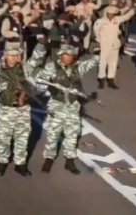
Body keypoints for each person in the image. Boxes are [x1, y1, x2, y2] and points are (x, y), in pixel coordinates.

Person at [0, 41, 46, 176]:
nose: (15, 58)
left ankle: (20, 164)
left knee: (22, 138)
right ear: (6, 56)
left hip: (23, 109)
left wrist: (40, 45)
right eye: (12, 55)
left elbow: (35, 60)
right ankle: (2, 162)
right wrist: (5, 85)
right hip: (5, 110)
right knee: (3, 138)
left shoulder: (24, 68)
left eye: (17, 55)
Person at [35, 44, 98, 174]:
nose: (69, 57)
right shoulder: (52, 67)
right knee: (53, 134)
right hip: (57, 105)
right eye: (66, 55)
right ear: (60, 55)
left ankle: (69, 161)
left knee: (72, 134)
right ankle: (49, 158)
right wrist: (50, 86)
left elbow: (91, 63)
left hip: (73, 106)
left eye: (71, 55)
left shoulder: (77, 68)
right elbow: (39, 80)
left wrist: (99, 54)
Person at [93, 5, 135, 89]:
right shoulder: (100, 21)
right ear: (106, 13)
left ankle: (111, 79)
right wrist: (100, 40)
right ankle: (101, 79)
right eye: (109, 13)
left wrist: (132, 10)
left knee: (113, 62)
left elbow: (126, 17)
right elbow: (96, 31)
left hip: (114, 45)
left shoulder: (117, 20)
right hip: (105, 44)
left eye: (113, 14)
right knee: (103, 62)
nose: (111, 15)